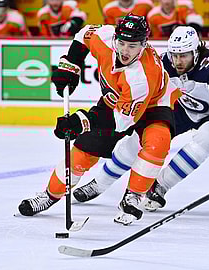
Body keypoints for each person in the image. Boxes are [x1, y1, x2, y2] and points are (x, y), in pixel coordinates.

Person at [18, 14, 181, 225]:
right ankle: (49, 195)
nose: (124, 51)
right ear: (115, 37)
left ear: (144, 44)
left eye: (132, 46)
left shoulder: (141, 76)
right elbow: (82, 35)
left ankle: (134, 195)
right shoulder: (104, 36)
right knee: (84, 152)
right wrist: (72, 64)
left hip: (153, 105)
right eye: (121, 43)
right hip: (116, 100)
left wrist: (82, 121)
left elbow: (121, 123)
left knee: (158, 142)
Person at [73, 25, 209, 213]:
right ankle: (99, 183)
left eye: (184, 56)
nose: (178, 61)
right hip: (180, 108)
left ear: (196, 52)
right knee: (137, 142)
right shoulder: (163, 62)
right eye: (175, 55)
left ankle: (159, 187)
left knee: (207, 140)